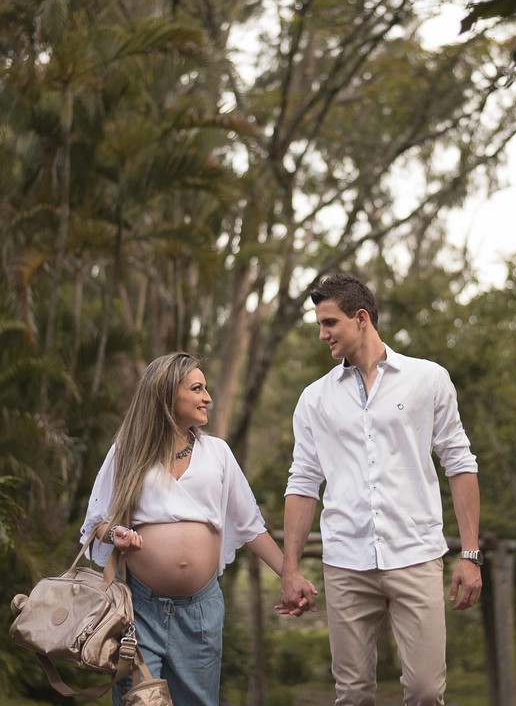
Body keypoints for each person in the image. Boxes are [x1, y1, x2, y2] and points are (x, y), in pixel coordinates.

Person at [279, 274, 483, 706]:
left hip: (416, 553)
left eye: (329, 323)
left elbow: (460, 463)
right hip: (346, 563)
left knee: (427, 692)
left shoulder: (428, 380)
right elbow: (302, 482)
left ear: (361, 318)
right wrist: (290, 569)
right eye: (319, 324)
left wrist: (470, 554)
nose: (322, 334)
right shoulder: (314, 400)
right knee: (352, 695)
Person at [80, 351, 315, 706]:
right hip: (138, 609)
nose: (208, 397)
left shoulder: (217, 453)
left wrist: (290, 574)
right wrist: (116, 534)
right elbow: (97, 521)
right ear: (167, 394)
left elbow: (250, 525)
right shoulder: (127, 451)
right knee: (136, 701)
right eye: (197, 388)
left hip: (200, 611)